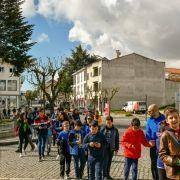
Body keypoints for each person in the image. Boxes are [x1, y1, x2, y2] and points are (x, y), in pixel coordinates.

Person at [159, 107, 180, 180]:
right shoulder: (165, 135)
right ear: (167, 121)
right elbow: (162, 155)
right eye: (171, 118)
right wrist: (177, 161)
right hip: (174, 173)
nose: (174, 119)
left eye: (176, 117)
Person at [146, 104, 165, 180]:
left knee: (163, 163)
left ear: (155, 111)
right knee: (153, 164)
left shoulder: (164, 118)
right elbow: (147, 133)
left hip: (164, 145)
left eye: (149, 111)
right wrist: (149, 141)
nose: (148, 113)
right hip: (153, 146)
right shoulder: (149, 120)